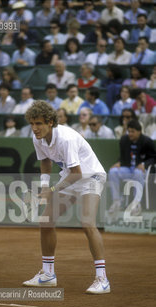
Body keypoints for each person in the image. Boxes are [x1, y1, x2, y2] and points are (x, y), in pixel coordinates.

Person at [23, 100, 111, 294]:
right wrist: (45, 187)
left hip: (90, 176)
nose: (35, 128)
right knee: (46, 221)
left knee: (87, 222)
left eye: (38, 123)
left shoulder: (66, 139)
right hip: (70, 176)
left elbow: (78, 174)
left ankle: (102, 279)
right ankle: (47, 275)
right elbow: (45, 161)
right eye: (32, 123)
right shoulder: (37, 137)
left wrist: (52, 190)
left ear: (50, 122)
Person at [108, 120, 155, 215]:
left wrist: (144, 164)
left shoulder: (147, 141)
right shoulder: (124, 140)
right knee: (112, 171)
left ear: (139, 131)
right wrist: (119, 162)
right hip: (128, 169)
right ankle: (117, 202)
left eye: (132, 131)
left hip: (142, 171)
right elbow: (123, 156)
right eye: (129, 131)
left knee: (138, 173)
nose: (130, 134)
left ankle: (136, 204)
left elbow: (154, 157)